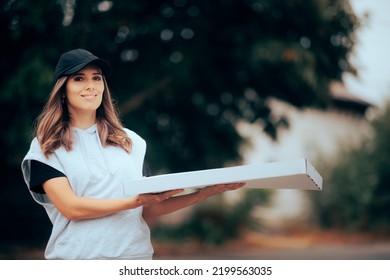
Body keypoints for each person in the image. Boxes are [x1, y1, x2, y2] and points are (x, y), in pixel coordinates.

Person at [21, 48, 245, 260]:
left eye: (96, 78)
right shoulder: (46, 147)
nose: (90, 85)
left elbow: (148, 208)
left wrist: (204, 193)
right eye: (79, 78)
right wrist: (133, 201)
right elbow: (72, 208)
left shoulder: (131, 142)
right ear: (63, 90)